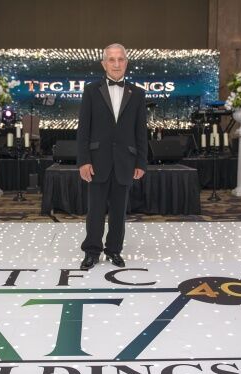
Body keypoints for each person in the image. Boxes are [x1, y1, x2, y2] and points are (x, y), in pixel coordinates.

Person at [77, 43, 148, 270]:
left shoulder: (138, 93)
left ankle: (114, 250)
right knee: (95, 211)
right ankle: (91, 252)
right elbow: (83, 129)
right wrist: (84, 160)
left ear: (126, 62)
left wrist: (141, 161)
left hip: (125, 161)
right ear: (104, 63)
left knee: (119, 212)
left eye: (120, 59)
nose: (116, 64)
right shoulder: (91, 91)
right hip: (97, 161)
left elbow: (141, 131)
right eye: (111, 59)